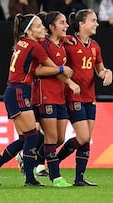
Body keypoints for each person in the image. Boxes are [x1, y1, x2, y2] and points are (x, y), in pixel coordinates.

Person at [0, 13, 76, 187]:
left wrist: (65, 38)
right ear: (30, 30)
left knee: (25, 138)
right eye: (39, 26)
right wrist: (64, 68)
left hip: (13, 90)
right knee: (32, 136)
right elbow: (50, 67)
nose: (43, 29)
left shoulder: (22, 42)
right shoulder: (35, 46)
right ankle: (30, 179)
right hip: (20, 91)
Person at [56, 9, 113, 186]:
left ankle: (79, 178)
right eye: (93, 20)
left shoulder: (95, 46)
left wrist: (107, 72)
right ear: (81, 24)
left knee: (86, 139)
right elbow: (56, 60)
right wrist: (68, 81)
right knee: (82, 137)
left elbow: (99, 69)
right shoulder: (68, 42)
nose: (96, 23)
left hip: (90, 97)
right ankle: (51, 162)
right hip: (74, 96)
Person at [32, 11, 80, 187]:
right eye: (62, 22)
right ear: (51, 27)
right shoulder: (43, 45)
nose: (66, 25)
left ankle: (28, 157)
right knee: (51, 138)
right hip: (45, 95)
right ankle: (55, 177)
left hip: (60, 96)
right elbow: (37, 71)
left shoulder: (60, 43)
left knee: (59, 139)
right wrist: (63, 73)